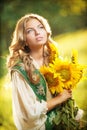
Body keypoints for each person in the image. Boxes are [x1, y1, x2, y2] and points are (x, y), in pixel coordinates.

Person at [7, 13, 72, 130]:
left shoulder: (54, 58)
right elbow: (29, 113)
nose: (37, 32)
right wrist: (60, 99)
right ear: (24, 40)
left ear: (46, 31)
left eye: (40, 27)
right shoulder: (20, 71)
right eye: (30, 31)